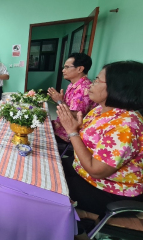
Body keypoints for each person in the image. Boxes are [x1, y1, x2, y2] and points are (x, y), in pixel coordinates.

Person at [56, 61, 143, 240]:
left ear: (117, 86)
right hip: (82, 169)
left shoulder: (126, 125)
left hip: (110, 188)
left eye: (97, 80)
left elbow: (96, 171)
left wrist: (73, 132)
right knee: (48, 168)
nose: (92, 84)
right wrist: (78, 128)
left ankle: (74, 231)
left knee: (52, 192)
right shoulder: (100, 110)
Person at [48, 53, 97, 147]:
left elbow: (77, 117)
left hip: (68, 133)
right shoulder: (72, 85)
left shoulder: (84, 89)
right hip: (60, 125)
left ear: (80, 69)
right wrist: (61, 101)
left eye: (67, 67)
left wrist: (59, 101)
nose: (63, 70)